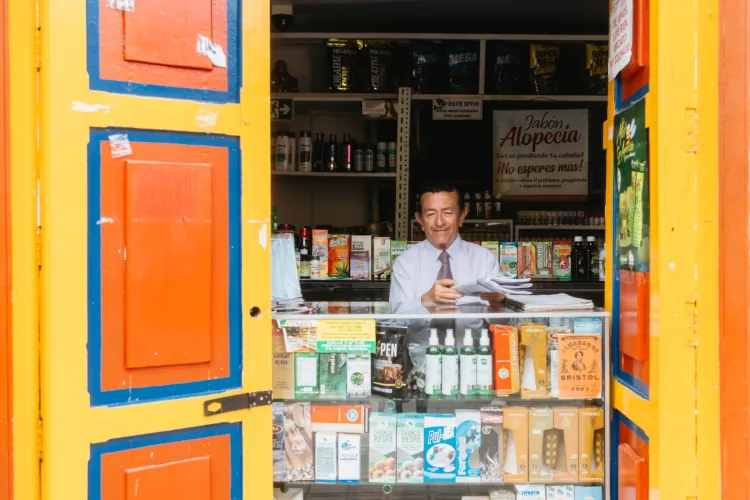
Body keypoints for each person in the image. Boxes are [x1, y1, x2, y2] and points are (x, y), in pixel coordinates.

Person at [390, 182, 499, 304]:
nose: (439, 222)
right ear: (420, 220)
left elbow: (499, 320)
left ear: (462, 216)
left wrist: (497, 305)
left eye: (447, 213)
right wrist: (426, 301)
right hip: (420, 324)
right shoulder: (405, 263)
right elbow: (397, 316)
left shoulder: (485, 259)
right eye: (431, 214)